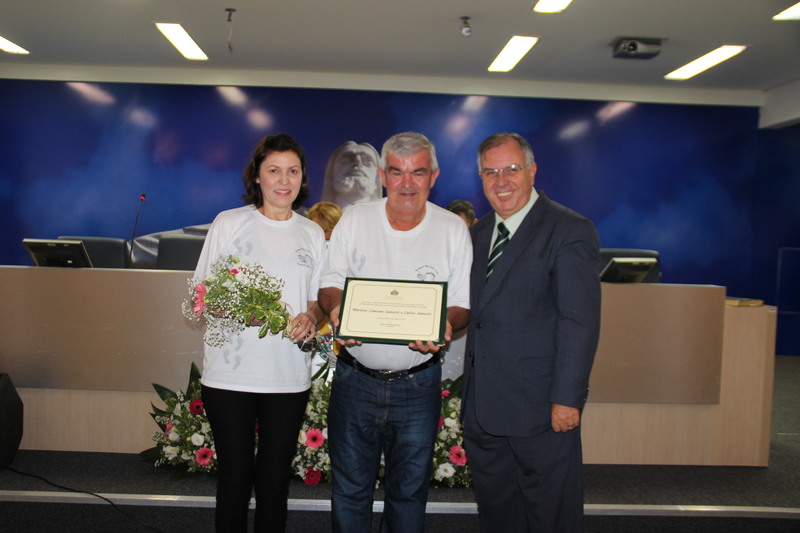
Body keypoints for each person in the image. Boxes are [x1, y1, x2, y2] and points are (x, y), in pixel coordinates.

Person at [319, 132, 472, 533]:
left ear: (433, 176)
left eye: (418, 172)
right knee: (350, 492)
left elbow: (462, 303)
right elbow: (331, 280)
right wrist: (336, 308)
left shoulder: (453, 229)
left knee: (409, 494)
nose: (407, 183)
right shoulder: (355, 219)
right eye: (398, 172)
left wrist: (446, 324)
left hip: (418, 386)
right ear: (384, 176)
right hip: (355, 380)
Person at [461, 132, 601, 533]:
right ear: (480, 177)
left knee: (550, 516)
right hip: (485, 409)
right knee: (498, 513)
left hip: (542, 410)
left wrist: (567, 399)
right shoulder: (476, 233)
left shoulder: (569, 229)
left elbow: (579, 322)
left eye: (511, 169)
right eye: (490, 172)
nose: (501, 181)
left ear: (532, 171)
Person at [194, 133, 326, 533]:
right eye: (273, 170)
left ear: (302, 178)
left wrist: (312, 316)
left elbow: (319, 300)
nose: (283, 180)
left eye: (292, 171)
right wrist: (245, 309)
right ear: (257, 177)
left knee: (274, 485)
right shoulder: (230, 224)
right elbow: (203, 298)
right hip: (230, 377)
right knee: (234, 483)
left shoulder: (313, 234)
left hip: (287, 378)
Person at [320, 141, 383, 208]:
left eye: (368, 162)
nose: (357, 162)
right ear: (332, 174)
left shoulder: (387, 218)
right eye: (345, 161)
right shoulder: (311, 217)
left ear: (377, 179)